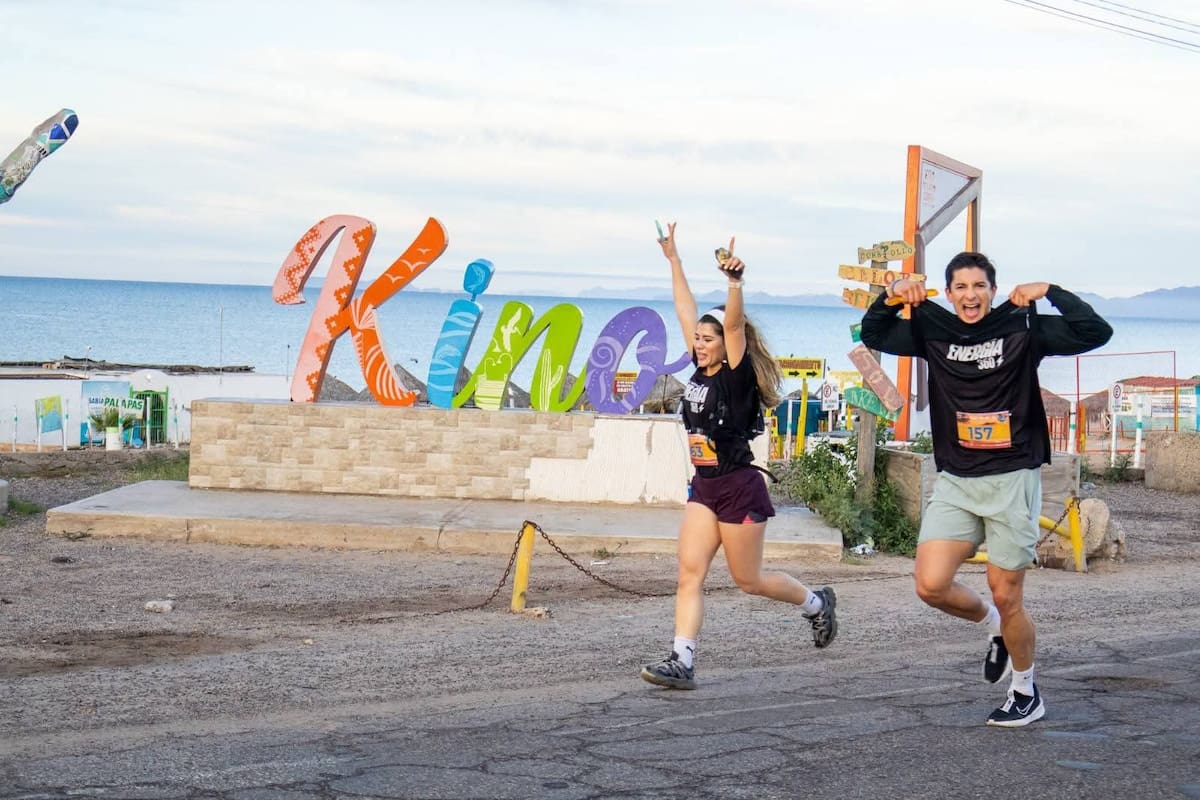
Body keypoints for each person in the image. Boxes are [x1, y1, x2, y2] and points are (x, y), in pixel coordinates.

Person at [861, 251, 1112, 727]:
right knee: (930, 585)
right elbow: (874, 335)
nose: (970, 295)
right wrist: (892, 296)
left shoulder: (1022, 327)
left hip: (1012, 476)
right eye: (960, 287)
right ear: (949, 293)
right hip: (956, 479)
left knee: (1006, 593)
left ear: (992, 291)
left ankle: (1025, 691)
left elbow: (1096, 332)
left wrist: (1050, 291)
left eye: (979, 286)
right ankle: (995, 630)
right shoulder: (933, 326)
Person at [640, 222, 838, 691]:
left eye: (708, 340)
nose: (699, 343)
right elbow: (686, 310)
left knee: (748, 579)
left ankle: (816, 603)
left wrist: (734, 283)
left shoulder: (734, 375)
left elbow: (729, 324)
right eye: (697, 340)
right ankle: (682, 660)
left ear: (727, 344)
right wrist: (674, 261)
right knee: (689, 572)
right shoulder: (700, 369)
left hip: (738, 488)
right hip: (704, 486)